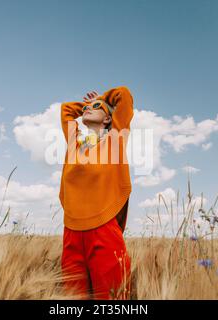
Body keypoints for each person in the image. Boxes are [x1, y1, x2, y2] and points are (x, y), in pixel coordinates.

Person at [59, 86, 134, 300]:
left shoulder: (114, 141)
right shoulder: (76, 144)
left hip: (103, 230)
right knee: (73, 300)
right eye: (87, 108)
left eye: (97, 108)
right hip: (71, 232)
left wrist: (103, 100)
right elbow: (65, 110)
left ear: (108, 120)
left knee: (111, 299)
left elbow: (124, 95)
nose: (89, 109)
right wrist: (89, 107)